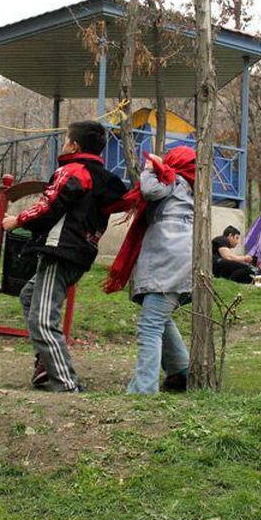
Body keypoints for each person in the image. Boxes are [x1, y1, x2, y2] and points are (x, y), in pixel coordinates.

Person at [1, 120, 125, 393]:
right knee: (29, 296)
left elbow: (48, 206)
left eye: (67, 139)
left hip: (60, 250)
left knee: (42, 320)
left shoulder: (72, 170)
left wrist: (17, 221)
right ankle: (46, 362)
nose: (64, 143)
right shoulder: (103, 177)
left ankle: (67, 384)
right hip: (80, 252)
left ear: (74, 145)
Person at [104, 146, 195, 394]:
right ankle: (180, 370)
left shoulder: (172, 179)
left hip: (167, 260)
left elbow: (150, 189)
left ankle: (143, 389)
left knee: (151, 324)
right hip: (180, 260)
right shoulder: (189, 189)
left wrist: (147, 170)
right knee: (158, 318)